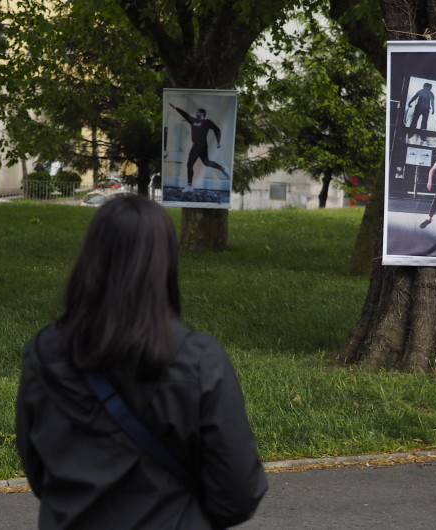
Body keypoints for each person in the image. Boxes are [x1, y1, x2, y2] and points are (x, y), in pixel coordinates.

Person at [16, 194, 267, 529]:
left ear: (91, 257)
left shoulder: (43, 352)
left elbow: (38, 471)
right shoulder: (199, 361)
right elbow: (238, 493)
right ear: (164, 262)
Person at [169, 103, 230, 192]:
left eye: (197, 113)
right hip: (199, 145)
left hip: (200, 145)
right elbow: (186, 115)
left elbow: (217, 130)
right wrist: (176, 108)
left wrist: (218, 142)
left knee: (189, 164)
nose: (196, 114)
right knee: (207, 162)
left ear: (202, 114)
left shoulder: (207, 122)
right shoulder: (193, 121)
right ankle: (223, 169)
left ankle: (189, 186)